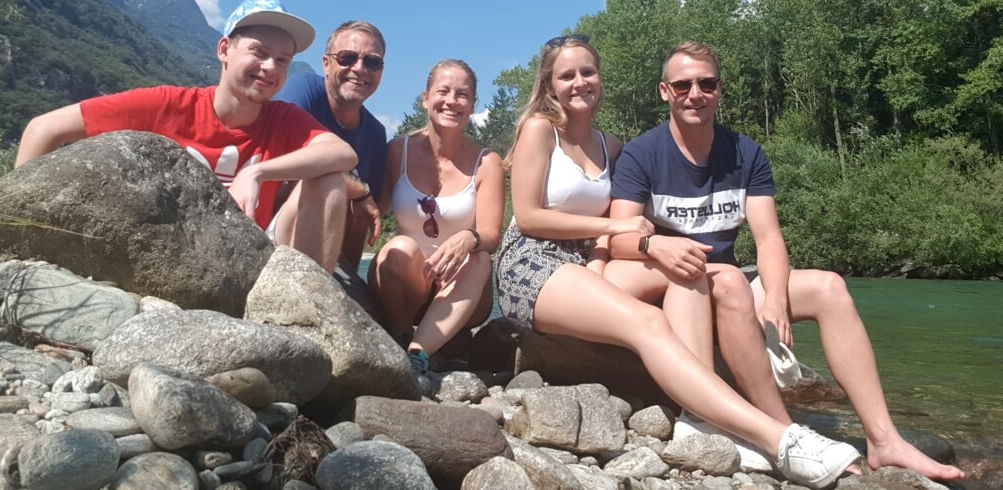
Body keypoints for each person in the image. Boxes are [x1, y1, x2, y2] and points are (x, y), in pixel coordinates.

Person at [495, 34, 862, 489]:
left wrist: (613, 250)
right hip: (534, 261)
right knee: (647, 325)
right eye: (566, 75)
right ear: (549, 85)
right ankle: (781, 438)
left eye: (587, 72)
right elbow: (529, 217)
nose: (579, 82)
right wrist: (614, 232)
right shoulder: (538, 130)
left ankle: (699, 418)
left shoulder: (613, 146)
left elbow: (629, 227)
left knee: (691, 272)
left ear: (600, 79)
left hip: (592, 258)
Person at [605, 41, 965, 481]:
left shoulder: (745, 153)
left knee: (829, 287)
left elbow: (769, 236)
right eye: (682, 85)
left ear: (720, 90)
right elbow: (620, 239)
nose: (694, 94)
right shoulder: (643, 154)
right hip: (679, 286)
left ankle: (883, 440)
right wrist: (657, 246)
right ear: (665, 92)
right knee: (728, 281)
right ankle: (784, 433)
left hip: (731, 277)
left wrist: (775, 297)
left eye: (706, 83)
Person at [14, 0, 357, 273]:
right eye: (258, 52)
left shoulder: (282, 118)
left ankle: (308, 305)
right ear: (224, 50)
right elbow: (42, 128)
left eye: (282, 60)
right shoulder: (169, 104)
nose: (270, 67)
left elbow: (341, 154)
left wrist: (256, 172)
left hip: (243, 254)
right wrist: (19, 235)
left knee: (329, 179)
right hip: (162, 252)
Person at [368, 59, 505, 379]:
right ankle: (403, 335)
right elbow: (373, 212)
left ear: (472, 106)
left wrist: (469, 237)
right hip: (404, 285)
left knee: (481, 259)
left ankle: (416, 353)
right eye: (443, 91)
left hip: (459, 289)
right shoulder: (396, 151)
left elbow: (490, 234)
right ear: (425, 98)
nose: (451, 101)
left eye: (462, 95)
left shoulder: (488, 163)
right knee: (398, 246)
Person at [274, 21, 388, 271]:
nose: (359, 69)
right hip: (272, 234)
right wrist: (359, 190)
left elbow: (365, 214)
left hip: (328, 256)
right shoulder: (303, 91)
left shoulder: (376, 135)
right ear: (326, 64)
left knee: (362, 206)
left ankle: (345, 284)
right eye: (347, 58)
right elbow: (290, 162)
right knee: (329, 183)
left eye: (372, 62)